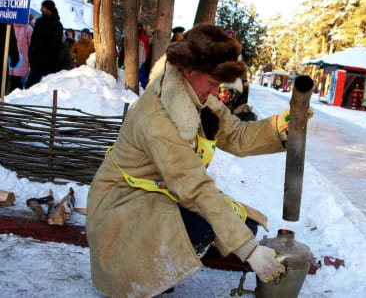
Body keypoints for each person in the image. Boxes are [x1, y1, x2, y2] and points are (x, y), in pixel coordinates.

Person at [86, 24, 295, 298]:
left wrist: (284, 127)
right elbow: (193, 186)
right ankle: (145, 273)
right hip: (123, 206)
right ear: (188, 71)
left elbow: (237, 134)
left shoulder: (194, 94)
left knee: (244, 227)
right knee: (207, 227)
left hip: (159, 196)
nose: (214, 92)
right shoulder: (157, 116)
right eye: (211, 84)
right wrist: (250, 251)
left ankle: (166, 262)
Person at [218, 29, 257, 122]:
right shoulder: (220, 52)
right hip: (226, 87)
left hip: (233, 88)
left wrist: (245, 84)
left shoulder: (238, 53)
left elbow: (243, 72)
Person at [26, 0, 65, 88]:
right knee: (29, 87)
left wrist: (54, 61)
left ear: (49, 9)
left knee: (46, 89)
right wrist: (31, 55)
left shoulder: (57, 25)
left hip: (50, 63)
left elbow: (57, 46)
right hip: (36, 61)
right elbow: (33, 40)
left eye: (43, 7)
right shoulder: (39, 22)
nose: (41, 9)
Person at [9, 23, 32, 90]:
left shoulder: (28, 29)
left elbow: (32, 46)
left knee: (17, 83)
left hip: (22, 61)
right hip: (9, 59)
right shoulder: (9, 25)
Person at [0, 24, 19, 95]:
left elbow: (11, 39)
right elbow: (11, 40)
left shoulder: (6, 21)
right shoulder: (6, 20)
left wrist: (14, 57)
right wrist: (15, 58)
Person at [138, 23, 150, 88]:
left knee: (142, 78)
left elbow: (146, 50)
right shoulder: (134, 36)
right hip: (135, 61)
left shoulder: (144, 37)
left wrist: (143, 60)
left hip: (141, 61)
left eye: (140, 27)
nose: (139, 29)